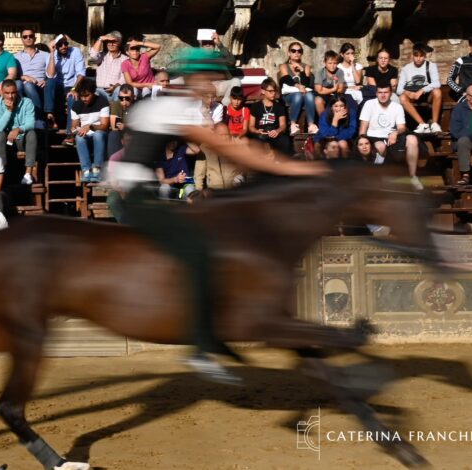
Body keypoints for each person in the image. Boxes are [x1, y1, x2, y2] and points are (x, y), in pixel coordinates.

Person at [116, 47, 328, 384]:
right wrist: (303, 172)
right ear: (198, 77)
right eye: (213, 79)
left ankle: (213, 333)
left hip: (145, 190)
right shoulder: (175, 107)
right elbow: (229, 150)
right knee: (199, 248)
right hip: (138, 194)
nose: (215, 86)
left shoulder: (174, 103)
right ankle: (200, 348)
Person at [358, 83, 423, 189]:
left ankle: (413, 176)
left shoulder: (397, 107)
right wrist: (361, 141)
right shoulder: (369, 104)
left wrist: (395, 133)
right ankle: (373, 176)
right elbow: (363, 127)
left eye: (386, 92)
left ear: (390, 93)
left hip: (392, 137)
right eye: (380, 92)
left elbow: (402, 127)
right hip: (373, 137)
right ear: (376, 93)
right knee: (380, 146)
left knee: (412, 139)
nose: (383, 95)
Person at [0, 79, 37, 184]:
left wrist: (18, 129)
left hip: (22, 140)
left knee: (32, 134)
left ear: (16, 91)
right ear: (2, 93)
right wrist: (9, 111)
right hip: (7, 142)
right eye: (7, 93)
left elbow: (31, 123)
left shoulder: (27, 102)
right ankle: (0, 172)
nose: (10, 96)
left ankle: (28, 173)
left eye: (13, 92)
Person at [45, 34, 85, 141]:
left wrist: (74, 89)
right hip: (57, 86)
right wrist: (52, 53)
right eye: (60, 44)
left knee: (72, 97)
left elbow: (81, 73)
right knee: (49, 82)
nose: (63, 46)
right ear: (56, 46)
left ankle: (69, 133)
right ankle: (50, 115)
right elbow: (50, 75)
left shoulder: (75, 52)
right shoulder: (51, 55)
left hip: (72, 85)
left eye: (65, 43)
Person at [397, 42, 443, 134]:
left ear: (425, 56)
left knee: (437, 92)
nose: (418, 59)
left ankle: (434, 124)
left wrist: (422, 90)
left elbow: (437, 83)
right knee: (402, 97)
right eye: (416, 56)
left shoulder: (431, 66)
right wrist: (409, 94)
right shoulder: (406, 69)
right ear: (412, 55)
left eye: (421, 56)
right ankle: (422, 124)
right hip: (412, 95)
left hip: (427, 95)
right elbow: (399, 89)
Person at [70, 80, 110, 183]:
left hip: (98, 131)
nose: (84, 99)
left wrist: (91, 126)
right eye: (82, 96)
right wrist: (75, 129)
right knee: (79, 138)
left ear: (93, 92)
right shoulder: (76, 105)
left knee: (98, 135)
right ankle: (86, 170)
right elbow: (74, 124)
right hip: (85, 133)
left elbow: (104, 125)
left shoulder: (102, 102)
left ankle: (97, 169)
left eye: (87, 96)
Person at [14, 27, 54, 125]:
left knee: (29, 85)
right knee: (25, 84)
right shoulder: (15, 56)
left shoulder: (45, 55)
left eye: (31, 36)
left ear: (35, 38)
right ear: (22, 39)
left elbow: (51, 74)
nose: (28, 38)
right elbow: (13, 75)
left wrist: (46, 80)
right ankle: (37, 118)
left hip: (40, 86)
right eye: (25, 36)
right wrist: (24, 77)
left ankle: (37, 118)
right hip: (23, 86)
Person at [278, 41, 317, 134]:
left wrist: (302, 71)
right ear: (289, 53)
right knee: (298, 95)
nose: (296, 53)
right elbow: (286, 79)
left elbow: (306, 83)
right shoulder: (283, 66)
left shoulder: (306, 67)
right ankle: (292, 124)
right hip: (289, 95)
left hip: (304, 93)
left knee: (310, 96)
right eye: (293, 51)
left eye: (299, 51)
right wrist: (298, 86)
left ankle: (311, 125)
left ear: (302, 53)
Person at [198, 30, 242, 106]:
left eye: (211, 43)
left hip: (221, 85)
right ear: (201, 47)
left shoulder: (219, 55)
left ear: (214, 46)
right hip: (206, 87)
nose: (208, 45)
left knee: (236, 81)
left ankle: (225, 106)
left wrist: (219, 44)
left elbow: (232, 61)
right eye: (205, 44)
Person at [248, 78, 290, 153]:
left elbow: (283, 125)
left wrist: (277, 131)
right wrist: (257, 131)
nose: (273, 93)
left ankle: (281, 162)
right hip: (260, 134)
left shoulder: (279, 106)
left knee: (285, 141)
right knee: (254, 143)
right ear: (263, 91)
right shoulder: (255, 106)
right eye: (270, 91)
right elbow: (251, 126)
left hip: (274, 132)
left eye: (274, 91)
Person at [90, 31, 126, 102]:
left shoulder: (125, 59)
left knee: (119, 90)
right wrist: (100, 39)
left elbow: (123, 78)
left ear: (119, 43)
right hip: (100, 90)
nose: (111, 44)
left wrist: (115, 86)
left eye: (114, 42)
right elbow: (93, 55)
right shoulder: (102, 56)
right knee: (94, 92)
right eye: (108, 42)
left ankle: (115, 111)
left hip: (115, 91)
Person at [314, 50, 346, 116]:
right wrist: (333, 89)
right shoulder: (320, 73)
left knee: (340, 102)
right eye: (330, 63)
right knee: (318, 100)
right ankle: (323, 121)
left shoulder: (340, 72)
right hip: (323, 96)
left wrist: (325, 89)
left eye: (335, 63)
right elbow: (319, 90)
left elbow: (340, 89)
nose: (332, 66)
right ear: (325, 63)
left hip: (336, 95)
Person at [107, 84, 136, 157]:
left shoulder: (138, 105)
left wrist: (126, 126)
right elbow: (114, 127)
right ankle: (113, 163)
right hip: (120, 133)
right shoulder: (116, 105)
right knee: (113, 134)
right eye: (121, 98)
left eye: (127, 98)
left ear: (133, 97)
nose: (124, 101)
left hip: (134, 133)